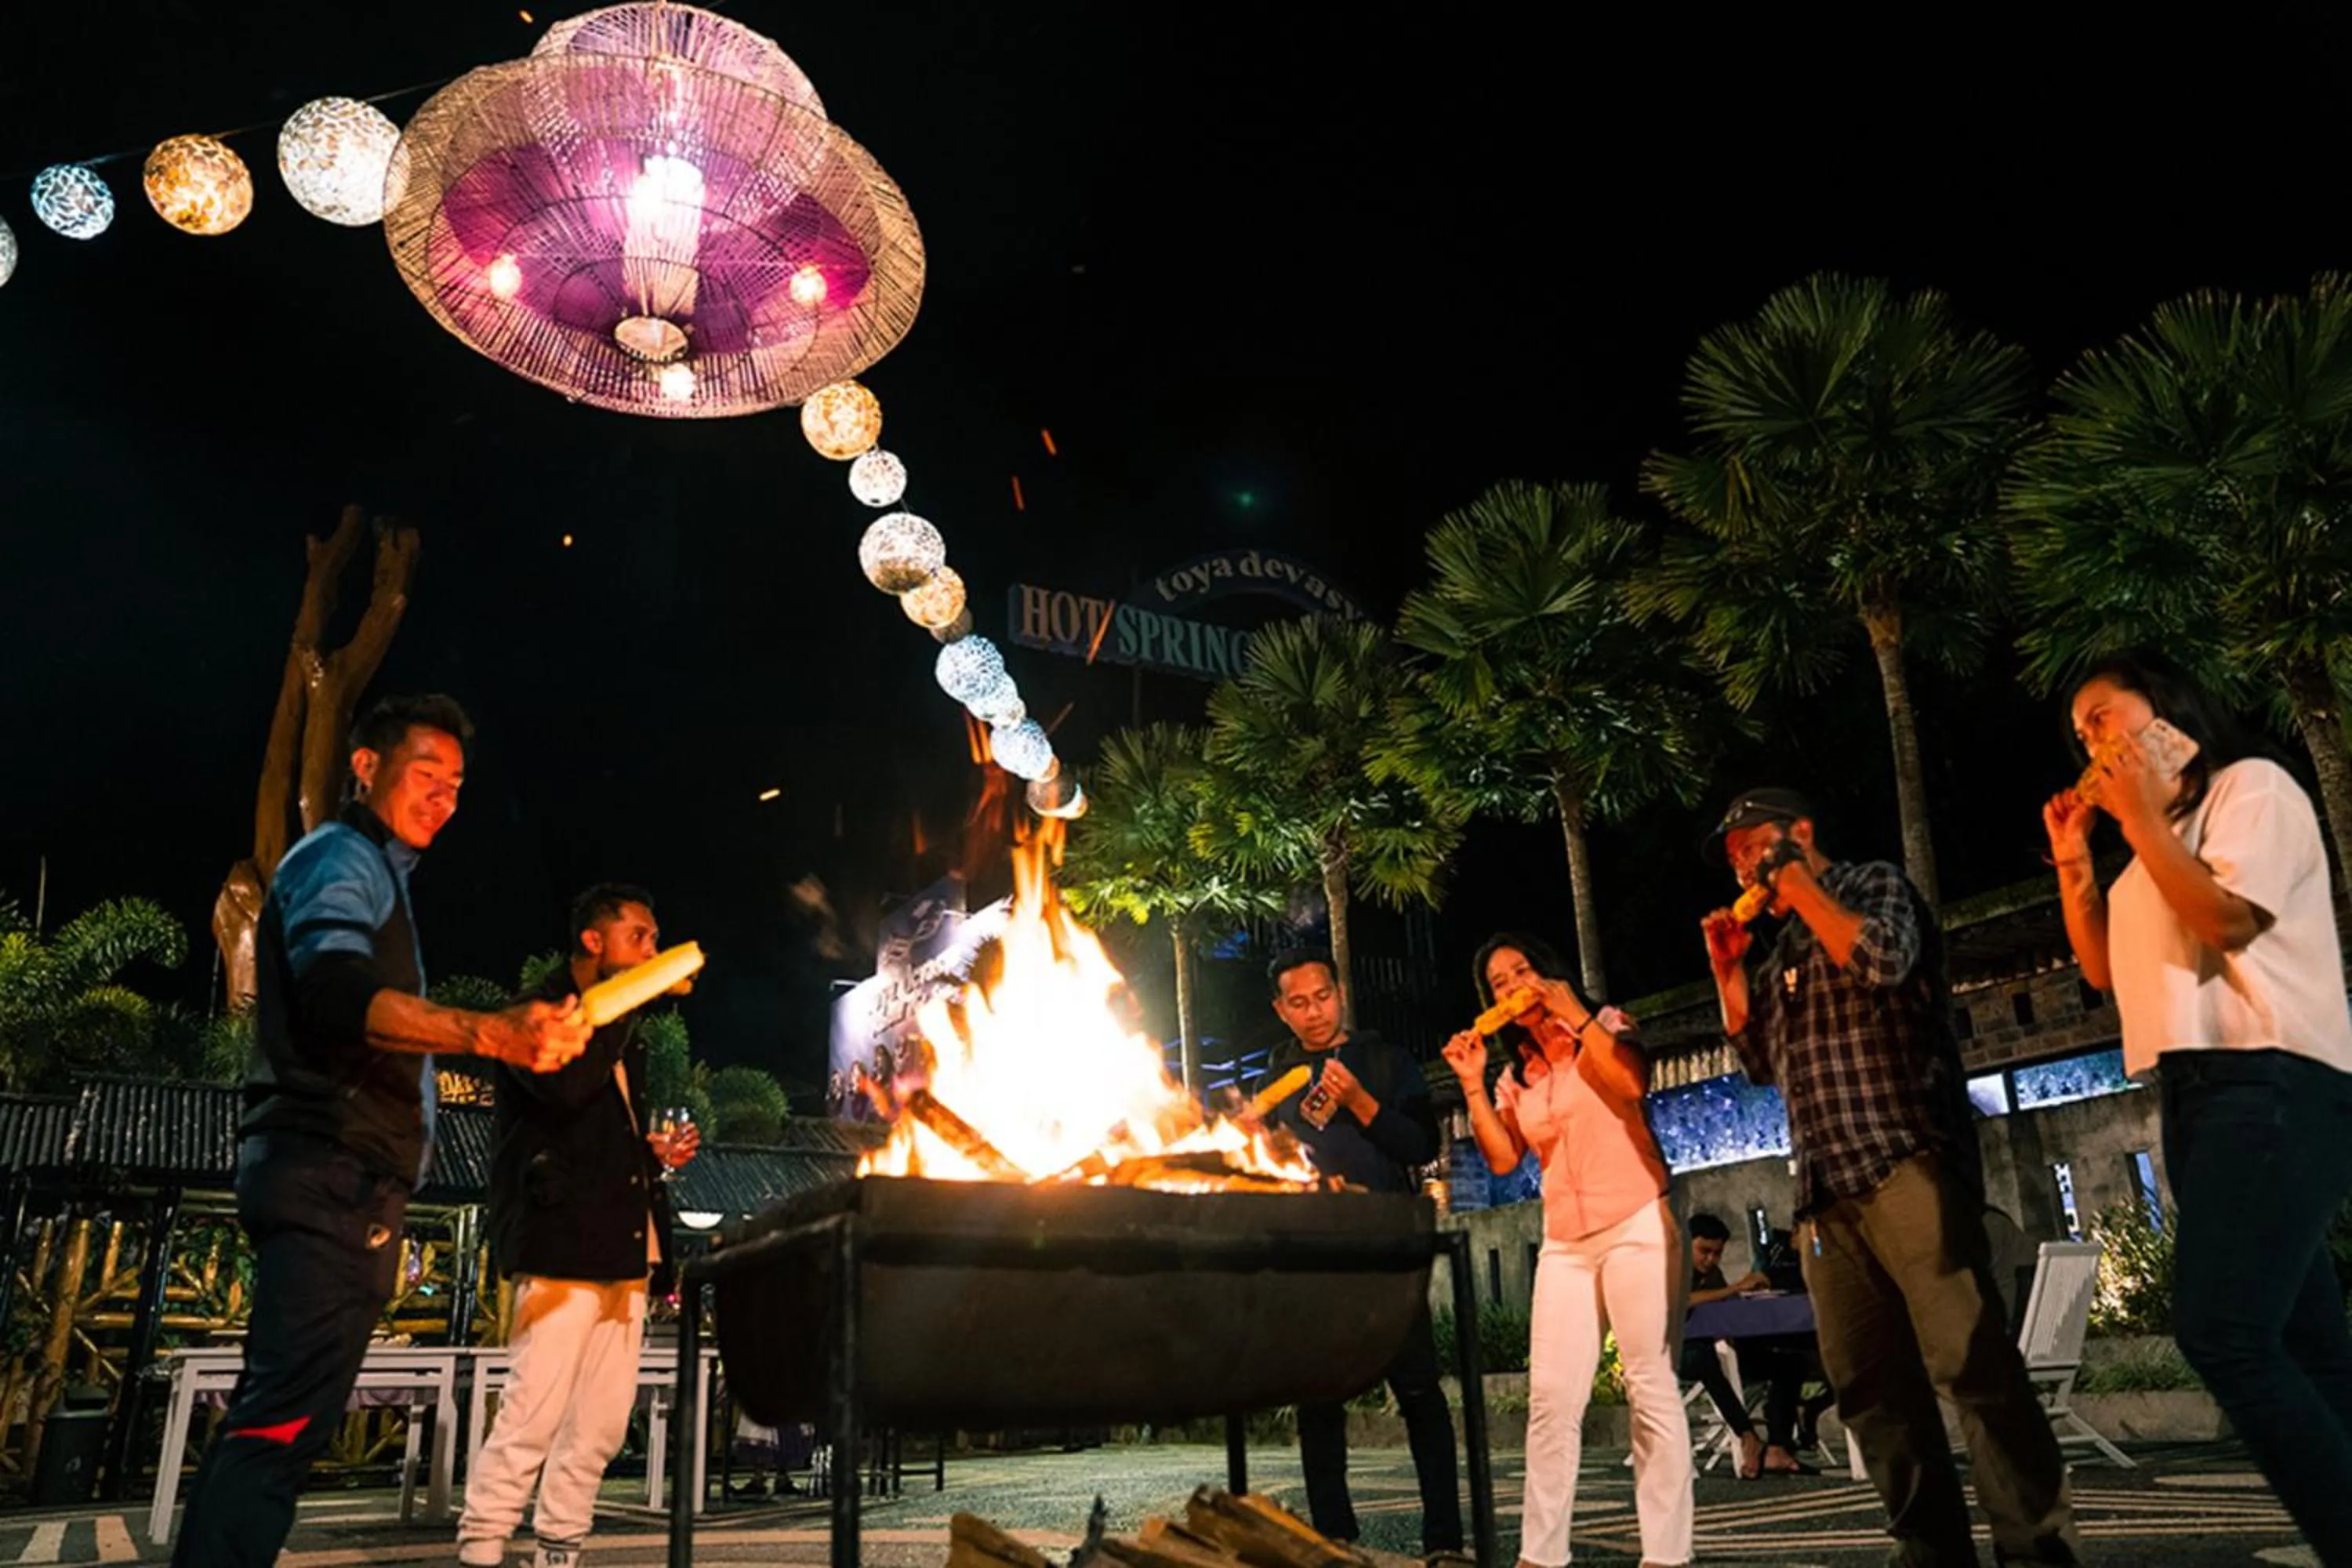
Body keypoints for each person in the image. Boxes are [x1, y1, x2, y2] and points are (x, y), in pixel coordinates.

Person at [173, 695, 591, 1568]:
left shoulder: (381, 875)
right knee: (281, 1417)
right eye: (425, 774)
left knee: (288, 1413)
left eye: (457, 785)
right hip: (328, 1168)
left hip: (343, 1175)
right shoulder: (341, 857)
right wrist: (492, 1032)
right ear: (366, 766)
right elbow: (334, 995)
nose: (443, 797)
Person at [1700, 787, 2078, 1568]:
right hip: (1823, 1192)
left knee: (1970, 1361)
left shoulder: (1873, 885)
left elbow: (1883, 960)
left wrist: (1800, 885)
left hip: (1905, 1156)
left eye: (1753, 841)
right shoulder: (1779, 956)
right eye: (1733, 851)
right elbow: (1763, 1063)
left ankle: (2035, 1545)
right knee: (1870, 1388)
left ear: (1801, 831)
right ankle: (1928, 1546)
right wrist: (1730, 971)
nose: (1741, 859)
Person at [2046, 649, 2352, 1558]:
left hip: (2273, 1076)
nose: (2092, 736)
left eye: (2103, 712)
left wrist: (2138, 816)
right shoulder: (2157, 844)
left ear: (2166, 704)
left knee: (2222, 1329)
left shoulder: (2251, 787)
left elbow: (2227, 920)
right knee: (2308, 1341)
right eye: (2079, 731)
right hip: (2197, 1086)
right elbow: (2104, 970)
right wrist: (2074, 862)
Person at [458, 884, 703, 1568]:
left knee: (599, 1423)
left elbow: (590, 1127)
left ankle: (561, 1546)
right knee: (532, 1411)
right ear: (594, 941)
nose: (654, 951)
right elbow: (564, 1088)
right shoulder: (542, 1013)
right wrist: (628, 1004)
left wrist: (649, 1153)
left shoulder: (623, 1033)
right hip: (561, 1243)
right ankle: (482, 1544)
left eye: (656, 940)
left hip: (627, 1248)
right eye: (640, 938)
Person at [1441, 933, 1690, 1568]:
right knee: (1551, 1400)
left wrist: (1575, 1015)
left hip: (1636, 1220)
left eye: (1521, 971)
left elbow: (1633, 1082)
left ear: (1547, 973)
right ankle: (1540, 1556)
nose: (1510, 987)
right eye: (1497, 983)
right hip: (1565, 1244)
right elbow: (1503, 1158)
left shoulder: (1604, 1025)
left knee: (1649, 1385)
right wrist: (1472, 1084)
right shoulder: (1515, 1074)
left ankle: (1666, 1555)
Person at [1254, 949, 1465, 1562]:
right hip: (1312, 1254)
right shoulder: (1273, 1080)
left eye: (1322, 997)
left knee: (1421, 1395)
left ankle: (1445, 1539)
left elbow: (1421, 1143)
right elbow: (1256, 1161)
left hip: (1388, 1246)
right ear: (1280, 1011)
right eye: (1298, 1002)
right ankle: (1334, 1536)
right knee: (1319, 1398)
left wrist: (1361, 1103)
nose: (1313, 1012)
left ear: (1340, 994)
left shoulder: (1387, 1060)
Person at [1682, 1211, 1831, 1477]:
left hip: (1720, 1349)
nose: (1710, 1259)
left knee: (1787, 1363)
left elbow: (1724, 1314)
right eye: (1704, 1251)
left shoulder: (1712, 1274)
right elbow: (1681, 1300)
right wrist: (1735, 1288)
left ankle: (1778, 1447)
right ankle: (1746, 1434)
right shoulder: (1669, 1269)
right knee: (1706, 1358)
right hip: (1674, 1354)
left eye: (1717, 1253)